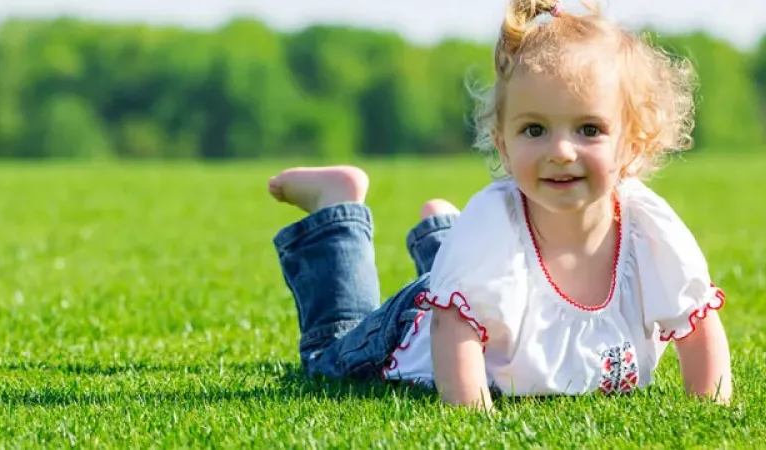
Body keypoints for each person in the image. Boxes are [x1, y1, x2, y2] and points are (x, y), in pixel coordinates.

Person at [267, 0, 732, 412]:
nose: (561, 152)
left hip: (482, 279)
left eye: (589, 129)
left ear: (634, 143)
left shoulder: (647, 228)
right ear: (502, 144)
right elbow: (453, 328)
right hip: (425, 320)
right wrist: (474, 414)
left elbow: (697, 323)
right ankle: (336, 210)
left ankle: (445, 235)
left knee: (476, 267)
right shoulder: (496, 221)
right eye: (534, 130)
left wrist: (710, 409)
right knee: (330, 354)